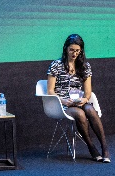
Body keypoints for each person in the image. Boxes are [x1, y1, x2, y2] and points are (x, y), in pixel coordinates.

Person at [47, 34, 110, 163]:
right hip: (62, 104)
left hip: (78, 101)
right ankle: (91, 147)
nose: (74, 53)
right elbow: (50, 91)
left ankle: (104, 148)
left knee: (90, 110)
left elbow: (88, 92)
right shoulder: (56, 65)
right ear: (66, 49)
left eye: (77, 51)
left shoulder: (85, 66)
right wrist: (63, 101)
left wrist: (85, 99)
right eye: (71, 50)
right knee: (80, 114)